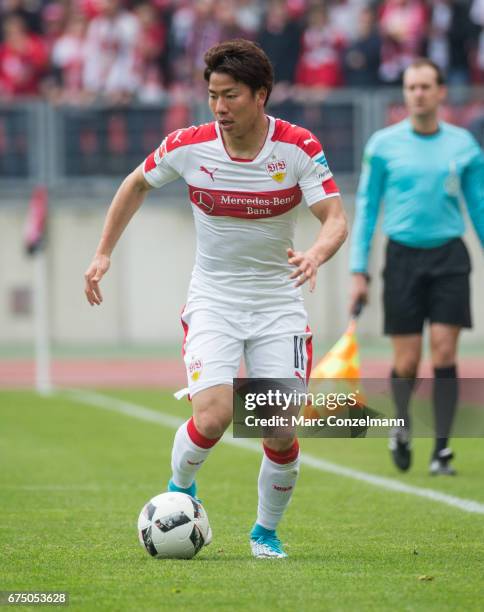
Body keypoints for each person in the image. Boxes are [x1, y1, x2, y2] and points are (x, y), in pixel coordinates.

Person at [85, 39, 347, 558]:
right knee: (213, 417)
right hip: (214, 300)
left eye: (231, 96)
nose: (220, 107)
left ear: (261, 95)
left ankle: (264, 534)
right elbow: (135, 184)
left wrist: (317, 253)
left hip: (278, 304)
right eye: (212, 95)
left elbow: (335, 218)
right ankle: (179, 491)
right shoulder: (189, 144)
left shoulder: (297, 147)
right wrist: (103, 253)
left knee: (276, 430)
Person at [349, 58, 484, 476]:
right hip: (402, 258)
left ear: (441, 92)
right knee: (406, 362)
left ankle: (442, 451)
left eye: (426, 86)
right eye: (411, 87)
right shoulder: (383, 145)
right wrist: (359, 270)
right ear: (405, 93)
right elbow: (368, 209)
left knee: (444, 351)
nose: (418, 94)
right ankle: (402, 427)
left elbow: (478, 206)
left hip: (448, 256)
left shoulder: (463, 145)